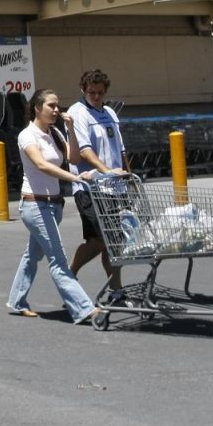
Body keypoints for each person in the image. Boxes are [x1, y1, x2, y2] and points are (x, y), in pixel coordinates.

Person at [6, 89, 100, 323]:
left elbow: (75, 159)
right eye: (51, 106)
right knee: (58, 259)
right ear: (37, 108)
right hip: (35, 205)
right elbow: (41, 165)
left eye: (57, 106)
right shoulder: (28, 135)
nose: (56, 110)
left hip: (54, 204)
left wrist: (70, 130)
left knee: (32, 255)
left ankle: (16, 300)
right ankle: (83, 308)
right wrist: (74, 178)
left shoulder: (55, 133)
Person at [66, 69, 129, 298]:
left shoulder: (110, 112)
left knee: (115, 240)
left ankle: (116, 288)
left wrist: (127, 176)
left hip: (115, 188)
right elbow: (85, 151)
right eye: (91, 92)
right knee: (99, 239)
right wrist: (108, 172)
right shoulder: (78, 112)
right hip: (89, 188)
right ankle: (70, 272)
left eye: (100, 93)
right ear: (83, 90)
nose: (95, 96)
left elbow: (120, 149)